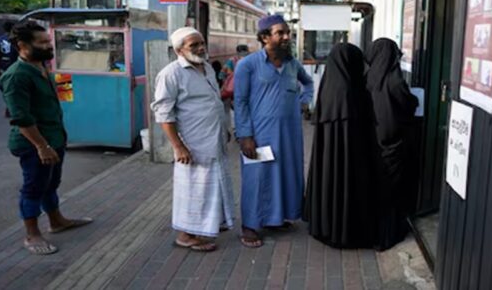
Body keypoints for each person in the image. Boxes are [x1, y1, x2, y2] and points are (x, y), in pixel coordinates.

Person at [0, 21, 92, 255]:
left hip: (55, 137)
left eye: (48, 41)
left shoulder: (43, 66)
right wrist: (42, 146)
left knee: (51, 184)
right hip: (34, 144)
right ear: (22, 45)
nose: (48, 46)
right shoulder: (16, 76)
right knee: (34, 187)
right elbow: (21, 119)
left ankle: (57, 221)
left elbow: (58, 98)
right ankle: (32, 235)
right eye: (42, 43)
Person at [151, 27, 235, 252]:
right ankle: (185, 235)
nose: (200, 48)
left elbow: (214, 101)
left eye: (201, 43)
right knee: (192, 189)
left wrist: (223, 128)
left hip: (213, 138)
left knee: (213, 184)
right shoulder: (171, 74)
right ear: (179, 50)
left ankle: (210, 224)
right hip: (193, 143)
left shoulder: (206, 67)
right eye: (193, 45)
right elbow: (163, 113)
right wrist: (178, 147)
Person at [234, 14, 314, 248]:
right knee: (257, 177)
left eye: (287, 32)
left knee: (285, 174)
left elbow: (308, 83)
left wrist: (304, 101)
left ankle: (275, 218)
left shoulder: (292, 64)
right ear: (264, 37)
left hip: (289, 134)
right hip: (260, 134)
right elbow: (240, 102)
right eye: (281, 33)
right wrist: (245, 135)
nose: (287, 37)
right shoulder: (247, 65)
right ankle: (249, 226)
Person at [304, 43, 375, 248]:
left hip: (328, 154)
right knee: (346, 181)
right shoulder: (351, 90)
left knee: (328, 178)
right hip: (349, 152)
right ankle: (343, 228)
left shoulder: (329, 85)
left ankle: (325, 225)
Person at [365, 38, 419, 251]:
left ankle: (373, 233)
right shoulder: (395, 81)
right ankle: (389, 234)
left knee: (375, 189)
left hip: (372, 143)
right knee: (392, 191)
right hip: (394, 143)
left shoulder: (366, 79)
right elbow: (409, 105)